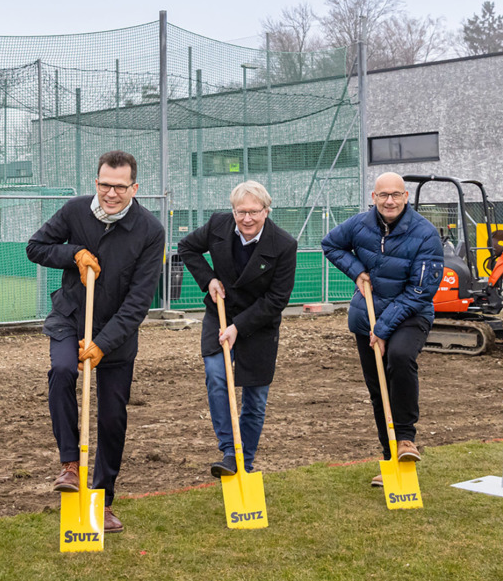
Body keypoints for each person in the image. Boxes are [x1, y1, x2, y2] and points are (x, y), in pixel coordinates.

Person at [25, 150, 164, 534]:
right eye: (105, 184)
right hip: (71, 315)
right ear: (96, 181)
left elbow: (138, 303)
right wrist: (74, 254)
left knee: (113, 416)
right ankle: (70, 464)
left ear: (134, 188)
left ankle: (102, 499)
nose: (111, 193)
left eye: (120, 187)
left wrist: (103, 344)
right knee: (62, 370)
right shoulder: (74, 212)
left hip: (117, 334)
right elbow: (35, 247)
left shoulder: (150, 231)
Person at [321, 172, 443, 488]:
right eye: (383, 195)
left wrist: (385, 329)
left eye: (396, 195)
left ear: (406, 197)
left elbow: (420, 292)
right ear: (373, 198)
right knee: (378, 389)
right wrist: (357, 271)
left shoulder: (426, 234)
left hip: (410, 315)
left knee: (400, 358)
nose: (389, 201)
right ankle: (392, 460)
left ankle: (406, 440)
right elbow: (331, 244)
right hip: (368, 317)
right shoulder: (360, 224)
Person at [177, 181, 298, 477]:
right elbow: (187, 247)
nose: (247, 219)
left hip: (259, 323)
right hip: (220, 311)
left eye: (254, 212)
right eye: (241, 211)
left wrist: (238, 328)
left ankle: (246, 460)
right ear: (233, 211)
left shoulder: (283, 245)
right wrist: (208, 280)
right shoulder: (218, 226)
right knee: (218, 376)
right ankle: (231, 452)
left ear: (266, 211)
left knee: (255, 397)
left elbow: (277, 299)